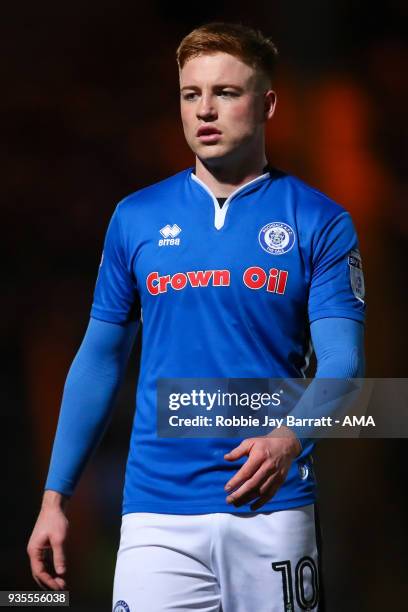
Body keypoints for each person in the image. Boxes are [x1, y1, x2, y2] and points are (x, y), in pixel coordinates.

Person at [27, 22, 365, 612]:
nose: (205, 110)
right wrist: (55, 497)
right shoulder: (135, 218)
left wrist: (290, 438)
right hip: (156, 515)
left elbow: (345, 362)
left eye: (226, 93)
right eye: (191, 94)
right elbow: (99, 360)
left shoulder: (320, 221)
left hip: (272, 511)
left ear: (267, 104)